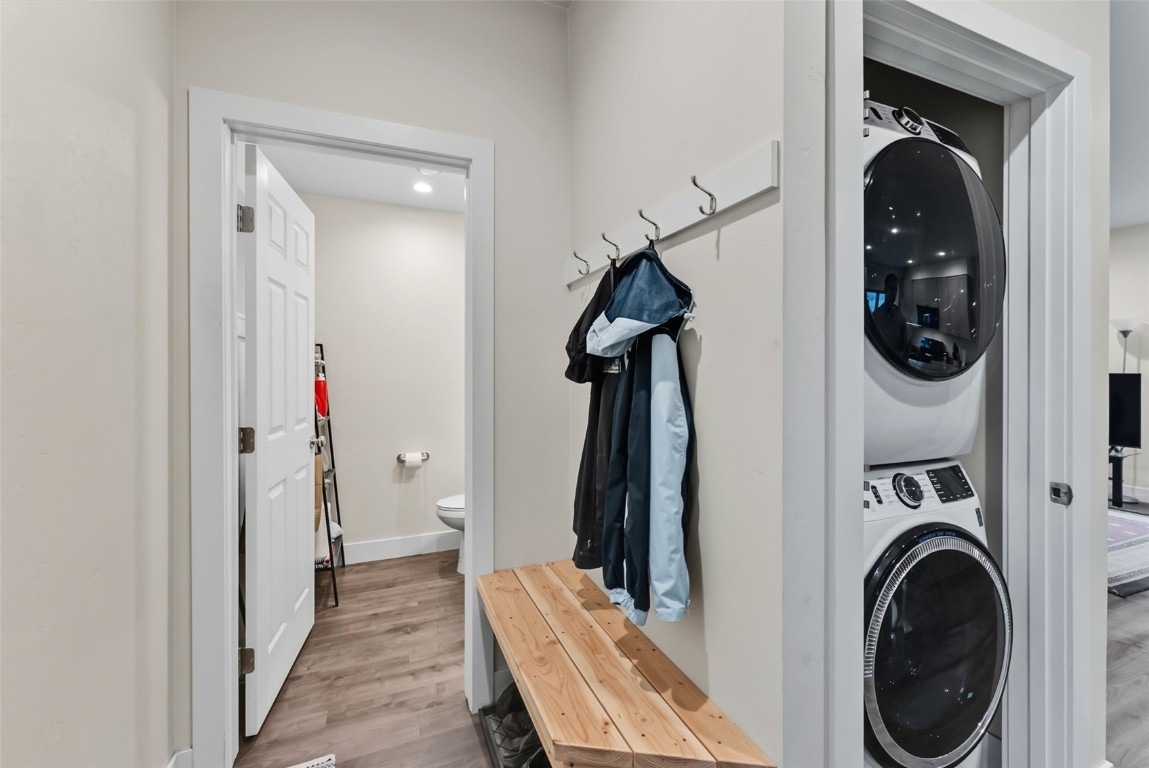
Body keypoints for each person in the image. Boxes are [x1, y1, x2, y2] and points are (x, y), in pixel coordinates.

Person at [872, 272, 910, 355]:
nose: (893, 294)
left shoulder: (900, 315)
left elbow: (906, 344)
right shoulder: (876, 316)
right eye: (891, 289)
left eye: (895, 290)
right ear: (885, 290)